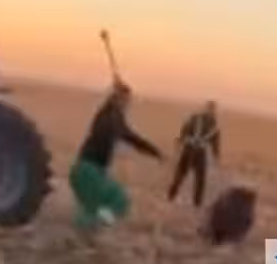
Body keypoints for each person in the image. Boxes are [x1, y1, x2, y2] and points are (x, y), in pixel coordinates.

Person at [69, 79, 164, 230]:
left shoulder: (115, 120)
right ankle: (89, 227)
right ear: (118, 100)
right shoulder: (109, 117)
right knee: (117, 202)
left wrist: (156, 153)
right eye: (125, 100)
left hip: (86, 172)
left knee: (102, 208)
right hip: (89, 172)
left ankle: (89, 228)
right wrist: (114, 99)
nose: (127, 104)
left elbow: (134, 140)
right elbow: (115, 129)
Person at [167, 100, 221, 207]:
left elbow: (215, 142)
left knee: (196, 178)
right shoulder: (199, 120)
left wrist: (216, 155)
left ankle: (193, 201)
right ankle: (174, 197)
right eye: (211, 109)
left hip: (196, 151)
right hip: (192, 151)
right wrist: (181, 140)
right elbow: (185, 129)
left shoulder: (210, 124)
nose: (212, 112)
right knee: (184, 176)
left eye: (212, 110)